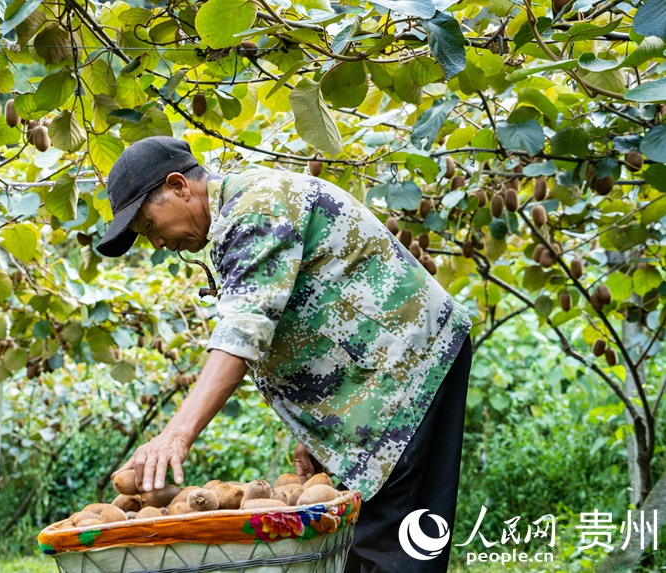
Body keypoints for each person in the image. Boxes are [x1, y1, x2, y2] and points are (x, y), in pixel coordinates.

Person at [96, 135, 472, 572]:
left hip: (408, 371)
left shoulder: (256, 209)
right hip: (375, 381)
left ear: (179, 186)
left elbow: (243, 331)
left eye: (148, 226)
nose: (156, 243)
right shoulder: (237, 218)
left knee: (393, 543)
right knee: (359, 539)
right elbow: (299, 314)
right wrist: (314, 428)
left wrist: (175, 435)